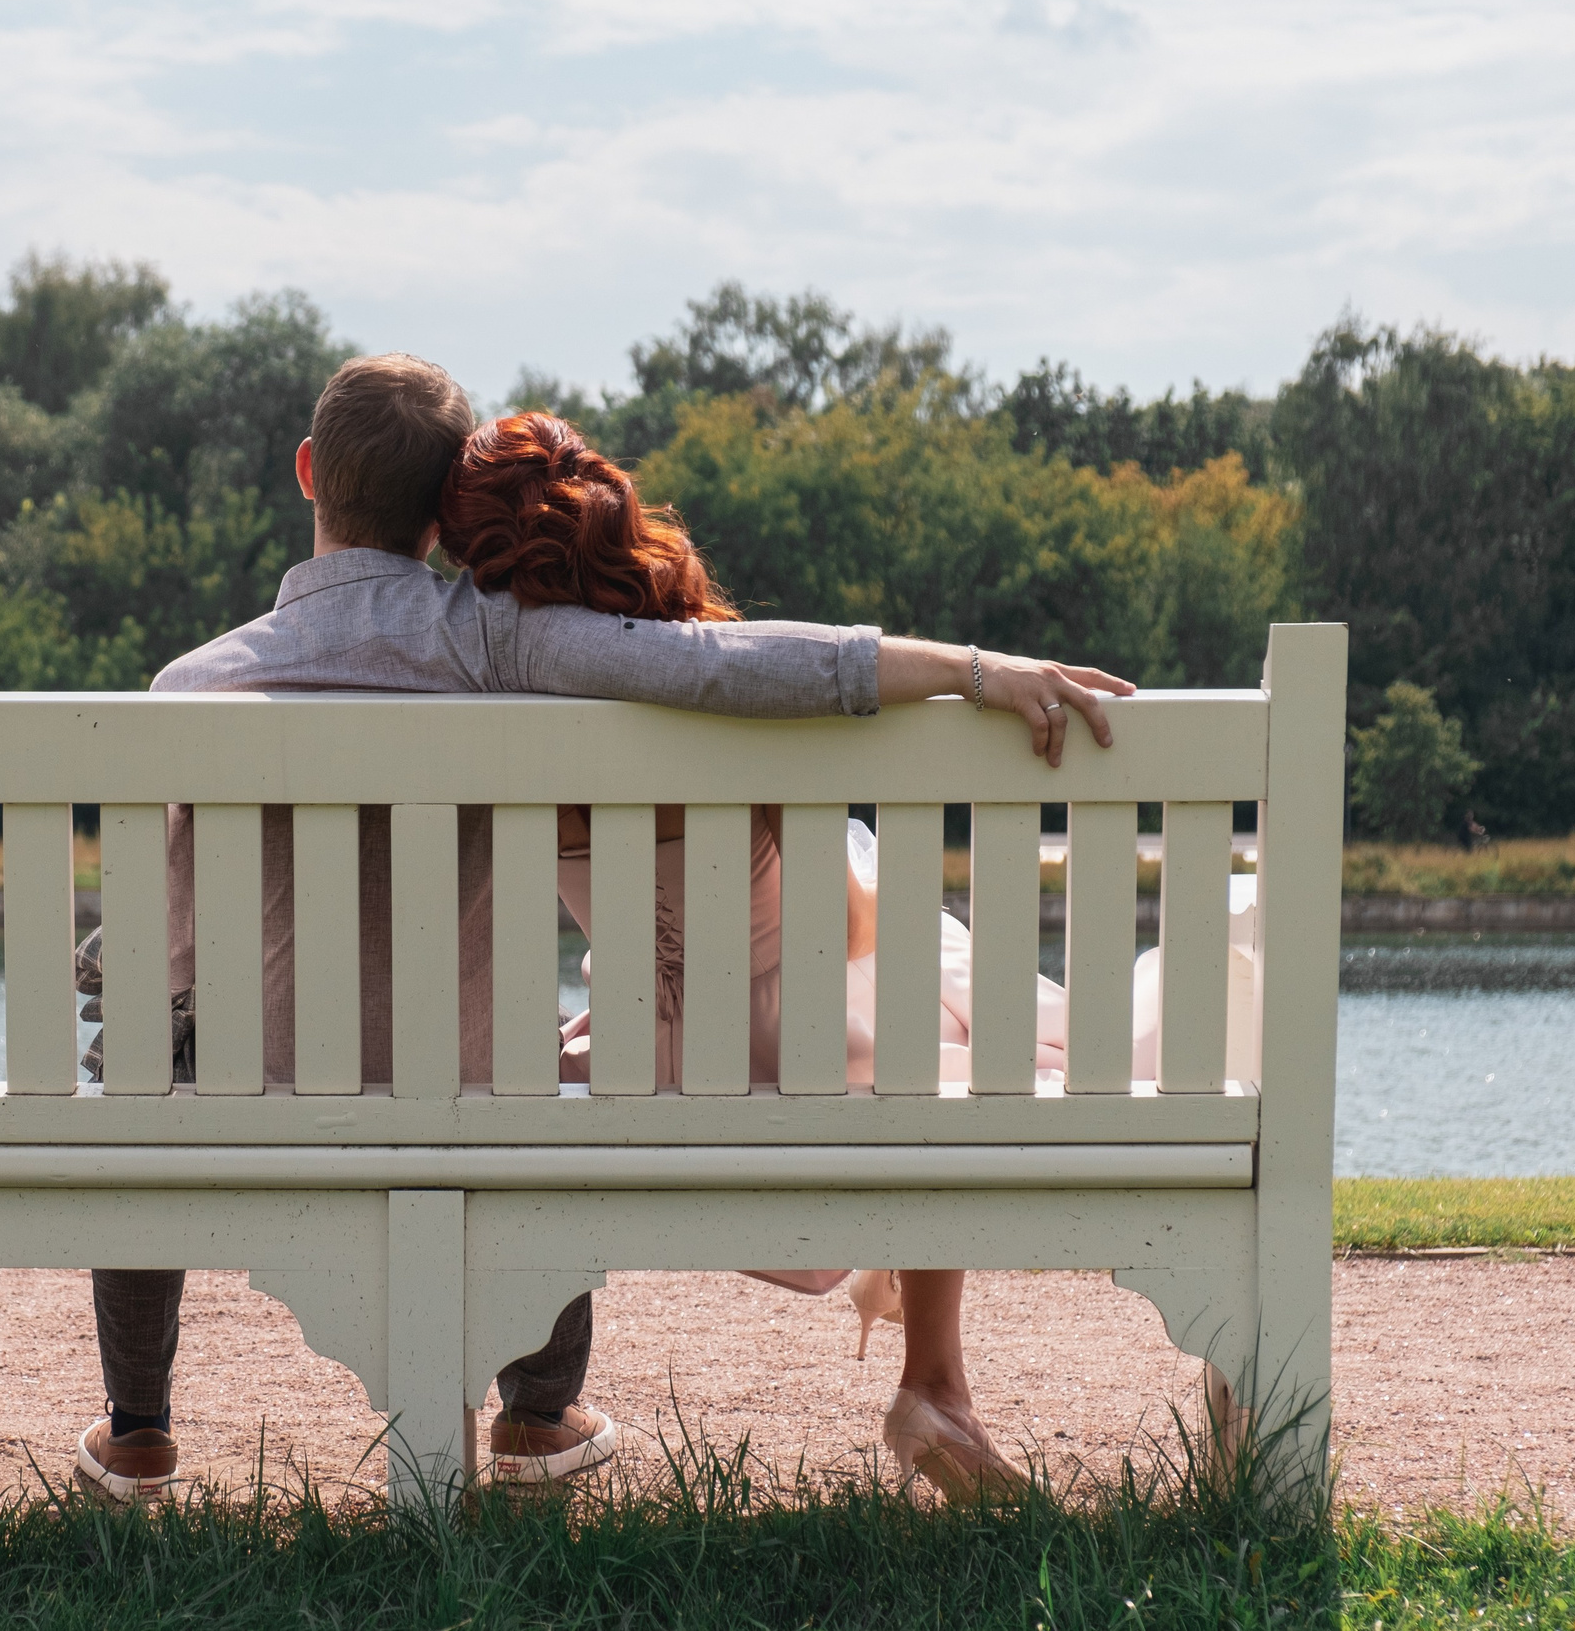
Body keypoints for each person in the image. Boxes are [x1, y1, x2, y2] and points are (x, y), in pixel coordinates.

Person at [72, 356, 1133, 1504]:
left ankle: (137, 1431)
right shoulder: (495, 644)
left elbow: (155, 952)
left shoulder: (188, 688)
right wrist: (976, 670)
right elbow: (734, 665)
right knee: (521, 1062)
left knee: (144, 1057)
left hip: (240, 1089)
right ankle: (534, 1413)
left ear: (306, 474)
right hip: (463, 1083)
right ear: (441, 509)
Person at [437, 410, 1128, 1501]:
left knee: (905, 992)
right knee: (919, 986)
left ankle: (915, 1357)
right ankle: (934, 1383)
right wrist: (976, 672)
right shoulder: (720, 686)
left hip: (655, 1057)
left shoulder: (477, 689)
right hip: (813, 1046)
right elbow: (842, 933)